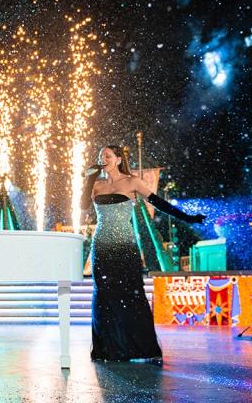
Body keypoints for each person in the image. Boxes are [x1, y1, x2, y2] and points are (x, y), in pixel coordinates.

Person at [84, 145, 206, 362]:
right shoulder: (97, 184)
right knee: (104, 296)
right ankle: (109, 349)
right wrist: (89, 180)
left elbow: (159, 203)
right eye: (101, 156)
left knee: (132, 294)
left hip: (125, 245)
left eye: (108, 156)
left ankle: (138, 348)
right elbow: (84, 206)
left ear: (119, 159)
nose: (104, 159)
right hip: (102, 245)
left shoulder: (132, 182)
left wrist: (187, 218)